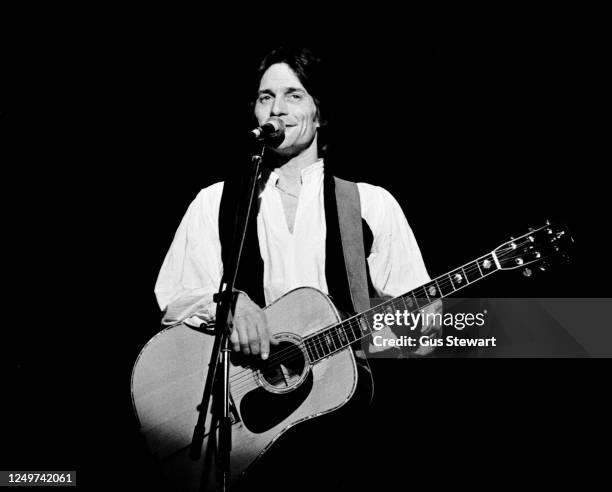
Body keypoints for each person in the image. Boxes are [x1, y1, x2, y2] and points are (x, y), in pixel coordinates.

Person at [154, 46, 441, 491]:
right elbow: (174, 298)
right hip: (250, 430)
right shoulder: (215, 202)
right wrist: (230, 306)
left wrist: (416, 326)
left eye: (293, 95)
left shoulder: (368, 203)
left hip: (345, 431)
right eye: (265, 97)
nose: (278, 109)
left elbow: (421, 322)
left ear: (319, 113)